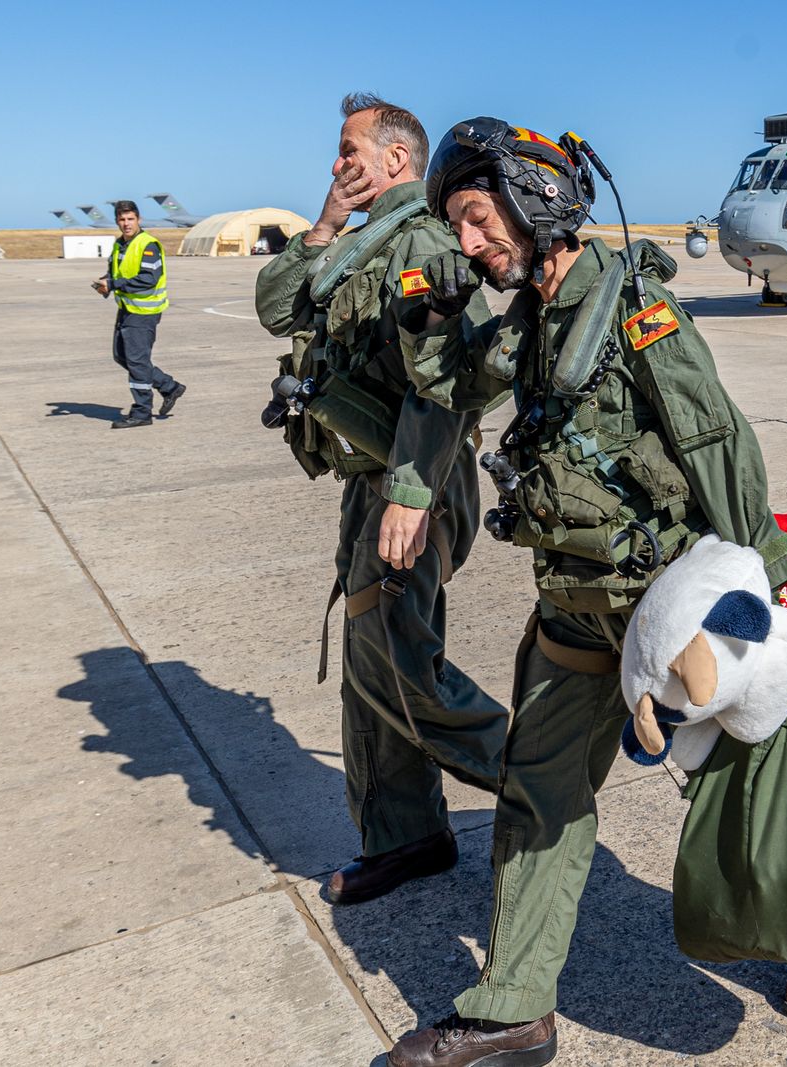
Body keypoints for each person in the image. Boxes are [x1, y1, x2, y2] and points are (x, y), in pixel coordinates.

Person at [382, 118, 787, 1067]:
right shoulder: (525, 324)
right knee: (537, 793)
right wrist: (427, 311)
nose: (469, 240)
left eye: (476, 216)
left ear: (535, 196)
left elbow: (716, 442)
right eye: (457, 226)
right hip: (574, 606)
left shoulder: (633, 310)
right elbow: (453, 384)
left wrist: (769, 584)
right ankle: (512, 1007)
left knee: (758, 776)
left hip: (671, 611)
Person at [254, 95, 510, 909]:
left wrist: (410, 492)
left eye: (349, 149)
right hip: (369, 483)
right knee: (369, 668)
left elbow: (454, 382)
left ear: (397, 158)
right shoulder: (357, 242)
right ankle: (406, 835)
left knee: (400, 662)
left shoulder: (426, 242)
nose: (337, 163)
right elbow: (276, 308)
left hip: (414, 481)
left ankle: (539, 777)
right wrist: (326, 222)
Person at [93, 201, 185, 428]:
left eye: (130, 219)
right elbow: (117, 272)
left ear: (138, 220)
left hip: (144, 312)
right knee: (122, 357)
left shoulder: (148, 244)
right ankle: (169, 386)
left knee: (136, 361)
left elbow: (148, 278)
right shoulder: (120, 245)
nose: (126, 224)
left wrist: (114, 284)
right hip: (126, 309)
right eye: (122, 219)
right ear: (117, 221)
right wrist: (106, 282)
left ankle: (142, 412)